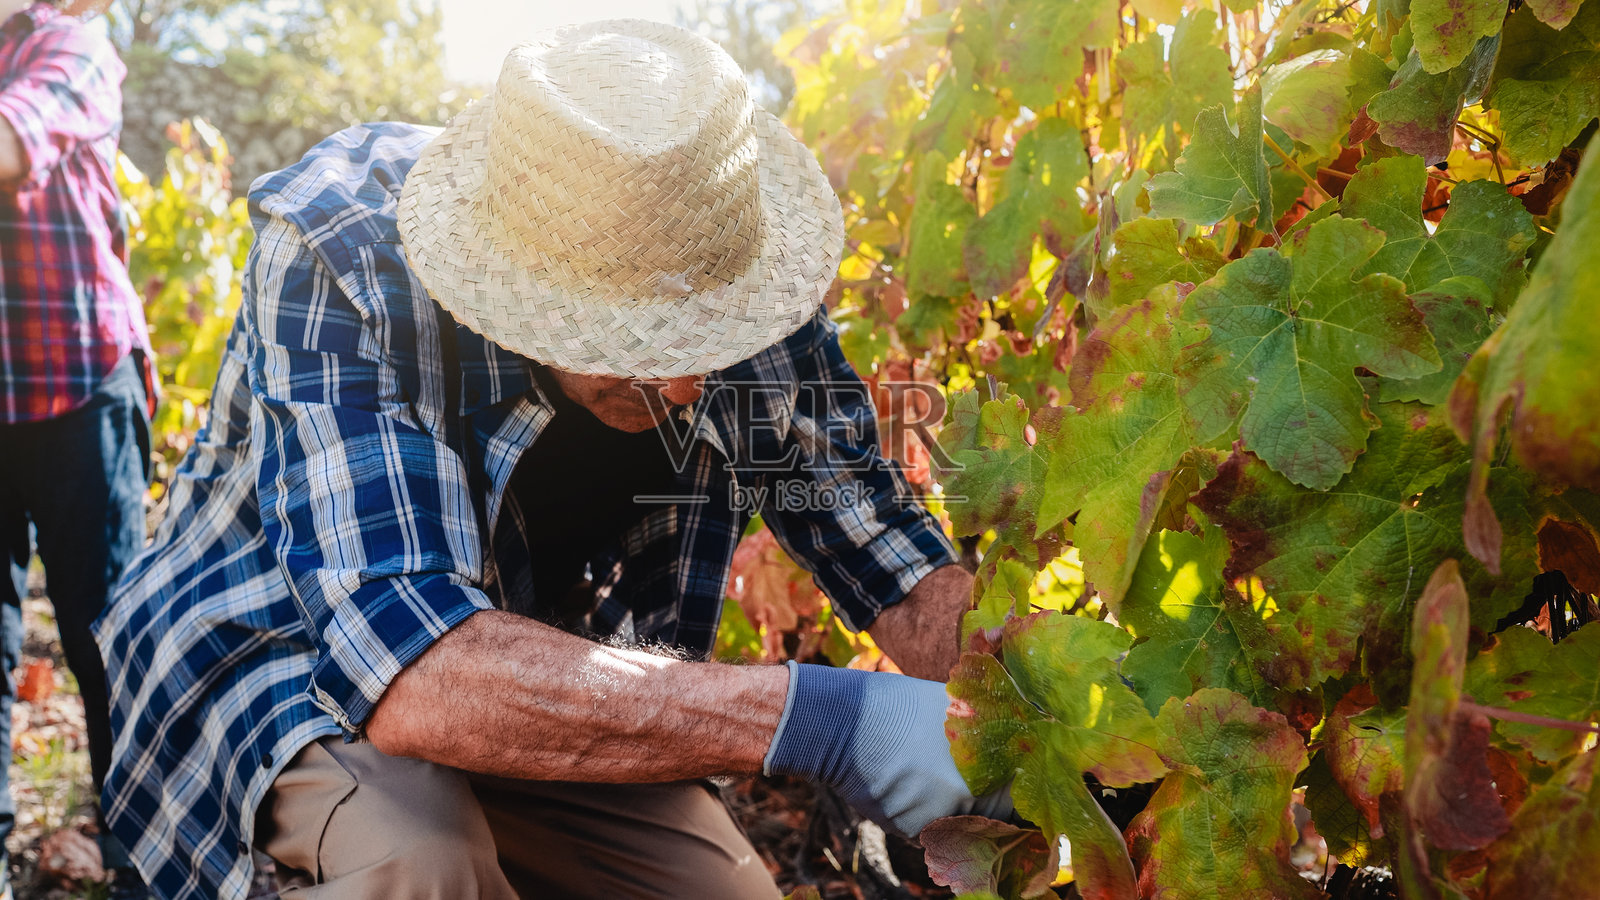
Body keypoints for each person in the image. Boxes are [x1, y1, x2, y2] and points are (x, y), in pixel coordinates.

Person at [96, 19, 1008, 900]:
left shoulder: (732, 258)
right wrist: (825, 722)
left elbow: (887, 553)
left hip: (534, 674)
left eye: (710, 339)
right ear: (524, 284)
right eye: (643, 342)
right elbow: (412, 669)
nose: (689, 388)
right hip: (286, 645)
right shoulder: (348, 249)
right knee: (424, 863)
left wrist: (1046, 734)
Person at [0, 0, 151, 896]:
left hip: (77, 388)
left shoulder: (65, 41)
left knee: (106, 637)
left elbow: (17, 137)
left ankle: (140, 853)